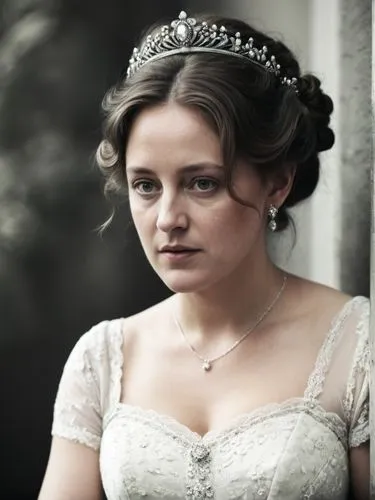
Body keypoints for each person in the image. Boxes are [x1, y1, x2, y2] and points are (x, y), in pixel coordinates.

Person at [38, 10, 370, 500]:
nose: (168, 217)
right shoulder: (102, 361)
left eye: (202, 183)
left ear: (277, 181)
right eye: (146, 185)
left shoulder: (359, 348)